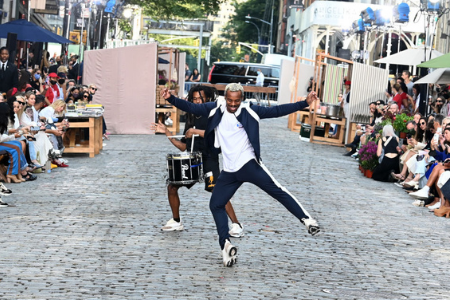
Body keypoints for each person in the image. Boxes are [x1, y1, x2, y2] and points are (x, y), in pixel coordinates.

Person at [161, 82, 320, 267]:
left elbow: (278, 111)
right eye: (230, 100)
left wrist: (305, 103)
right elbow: (190, 106)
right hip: (230, 171)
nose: (233, 104)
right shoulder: (215, 108)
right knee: (216, 204)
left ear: (241, 99)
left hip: (249, 165)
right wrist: (170, 98)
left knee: (278, 191)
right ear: (225, 97)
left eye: (236, 101)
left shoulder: (249, 110)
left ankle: (307, 220)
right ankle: (226, 245)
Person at [151, 85, 244, 237]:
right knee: (172, 187)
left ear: (207, 98)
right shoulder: (191, 117)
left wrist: (195, 131)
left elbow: (218, 136)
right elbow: (183, 147)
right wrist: (167, 133)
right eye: (194, 99)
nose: (197, 101)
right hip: (193, 159)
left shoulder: (214, 113)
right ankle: (176, 221)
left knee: (218, 192)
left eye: (200, 98)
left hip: (209, 158)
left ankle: (236, 224)